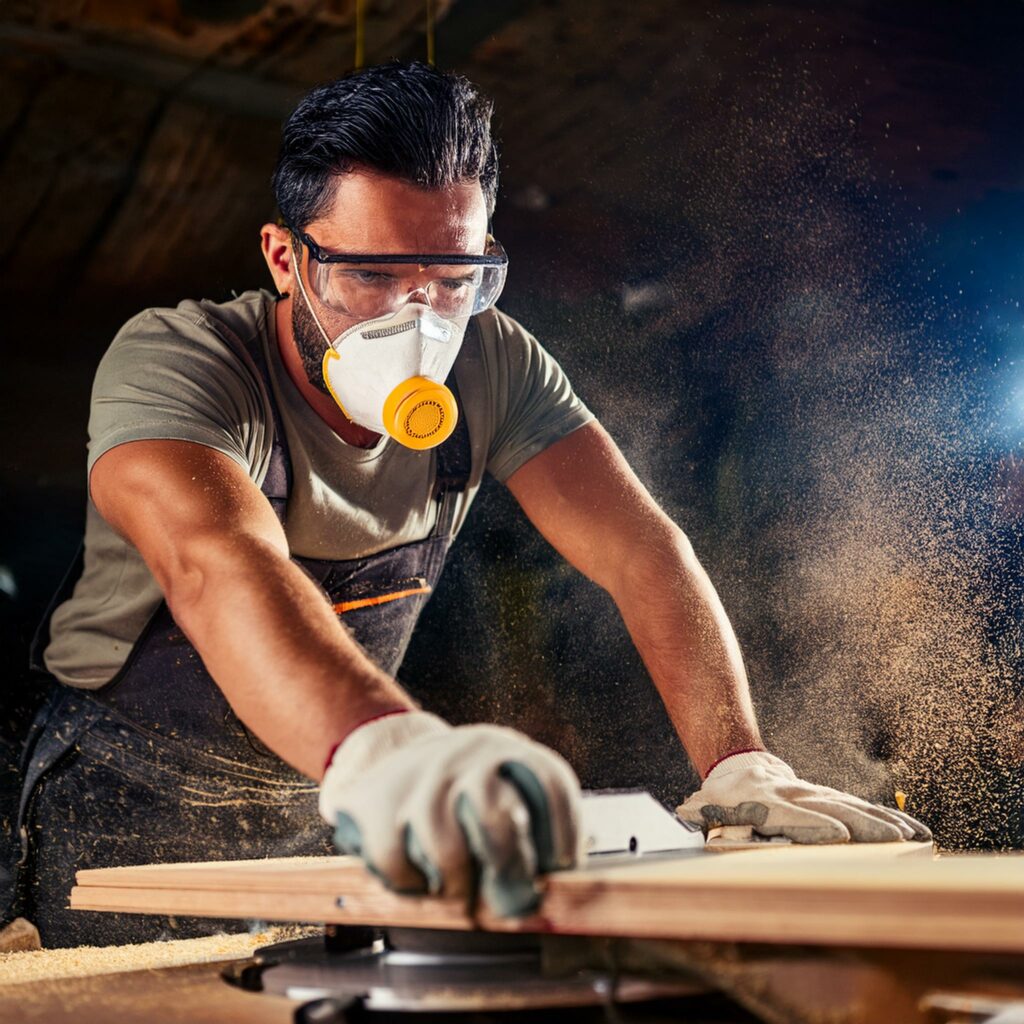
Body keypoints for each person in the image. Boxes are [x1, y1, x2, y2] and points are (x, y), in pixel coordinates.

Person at [2, 61, 928, 949]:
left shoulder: (494, 361)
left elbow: (641, 551)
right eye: (368, 277)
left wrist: (739, 764)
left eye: (452, 280)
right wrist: (391, 750)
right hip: (129, 800)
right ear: (287, 258)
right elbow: (215, 562)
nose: (418, 322)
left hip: (328, 796)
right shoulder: (181, 362)